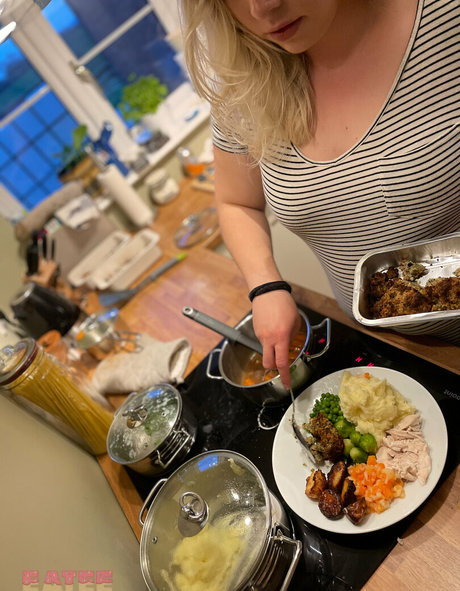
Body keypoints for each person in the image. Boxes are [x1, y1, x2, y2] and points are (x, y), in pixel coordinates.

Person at [180, 0, 460, 387]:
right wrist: (265, 286)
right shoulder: (242, 87)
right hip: (385, 349)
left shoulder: (445, 18)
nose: (263, 7)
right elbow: (236, 202)